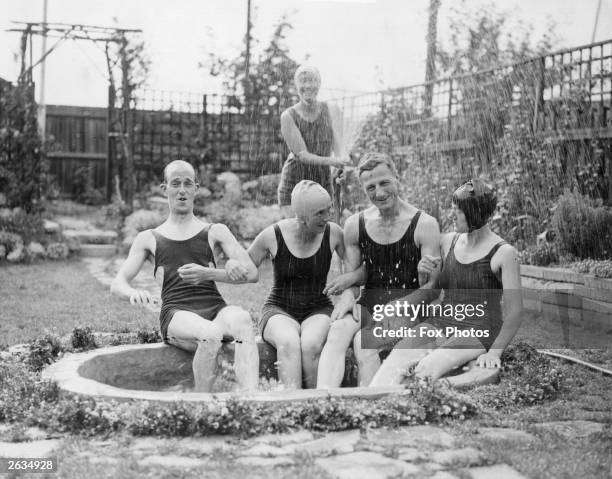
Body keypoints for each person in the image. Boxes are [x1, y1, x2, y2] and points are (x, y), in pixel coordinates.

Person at [110, 160, 259, 393]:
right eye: (175, 183)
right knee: (210, 334)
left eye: (188, 184)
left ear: (195, 189)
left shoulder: (216, 231)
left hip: (215, 309)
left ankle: (252, 400)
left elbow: (252, 273)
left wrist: (209, 273)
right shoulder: (149, 238)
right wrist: (133, 292)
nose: (182, 189)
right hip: (177, 314)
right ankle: (200, 405)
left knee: (242, 319)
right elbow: (118, 283)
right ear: (165, 189)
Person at [369, 179, 523, 387]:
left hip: (478, 330)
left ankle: (407, 411)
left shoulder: (504, 253)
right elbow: (434, 287)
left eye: (458, 211)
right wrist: (424, 271)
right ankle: (371, 404)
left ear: (474, 213)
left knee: (427, 368)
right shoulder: (449, 241)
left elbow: (515, 312)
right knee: (398, 357)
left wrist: (495, 352)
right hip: (441, 323)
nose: (453, 215)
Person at [317, 152, 441, 388]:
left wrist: (400, 305)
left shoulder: (424, 224)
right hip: (369, 306)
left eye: (384, 183)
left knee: (364, 343)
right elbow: (352, 280)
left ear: (397, 178)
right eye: (371, 187)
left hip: (409, 309)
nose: (379, 193)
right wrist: (346, 299)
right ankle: (323, 399)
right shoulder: (356, 224)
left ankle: (371, 405)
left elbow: (432, 287)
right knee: (338, 332)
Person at [248, 180, 345, 388]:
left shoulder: (334, 233)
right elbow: (243, 268)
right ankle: (290, 406)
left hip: (318, 308)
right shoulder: (272, 235)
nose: (327, 217)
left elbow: (360, 267)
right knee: (288, 342)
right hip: (278, 309)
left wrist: (349, 279)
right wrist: (210, 272)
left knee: (310, 345)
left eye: (328, 210)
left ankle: (317, 407)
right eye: (319, 213)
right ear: (301, 216)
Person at [278, 65, 351, 217]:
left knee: (324, 232)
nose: (308, 86)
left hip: (322, 180)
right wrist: (333, 161)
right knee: (297, 232)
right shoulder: (288, 116)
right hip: (294, 180)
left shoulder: (332, 110)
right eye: (302, 81)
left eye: (312, 81)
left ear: (319, 84)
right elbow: (302, 155)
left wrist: (341, 167)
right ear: (296, 86)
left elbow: (339, 147)